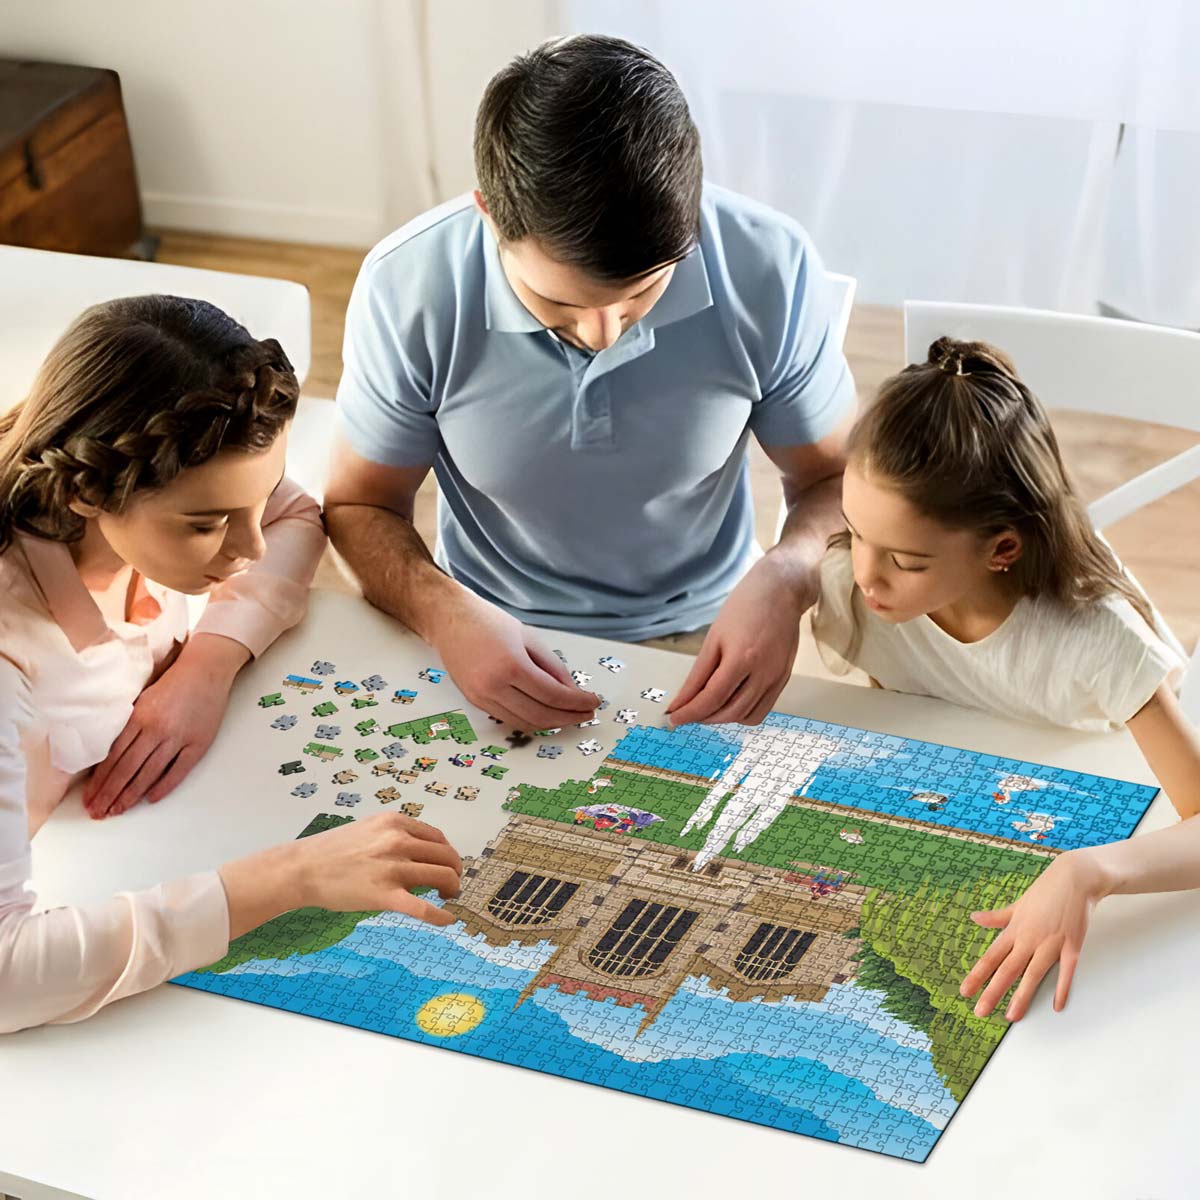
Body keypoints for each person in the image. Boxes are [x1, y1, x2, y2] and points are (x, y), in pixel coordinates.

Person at [324, 33, 855, 735]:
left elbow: (836, 481)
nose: (607, 334)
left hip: (712, 629)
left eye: (642, 295)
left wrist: (788, 578)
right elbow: (361, 505)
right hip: (481, 629)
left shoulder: (769, 265)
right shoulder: (408, 288)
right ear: (490, 214)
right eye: (562, 305)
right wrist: (440, 610)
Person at [0, 296, 461, 1034]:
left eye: (248, 502)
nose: (245, 550)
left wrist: (207, 664)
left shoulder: (133, 480)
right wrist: (290, 876)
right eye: (206, 524)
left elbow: (292, 515)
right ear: (86, 491)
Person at [808, 336, 1198, 1022]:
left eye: (905, 559)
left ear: (1003, 549)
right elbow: (910, 719)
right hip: (994, 794)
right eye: (854, 531)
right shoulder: (859, 592)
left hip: (1130, 796)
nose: (865, 574)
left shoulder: (1099, 639)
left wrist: (1089, 871)